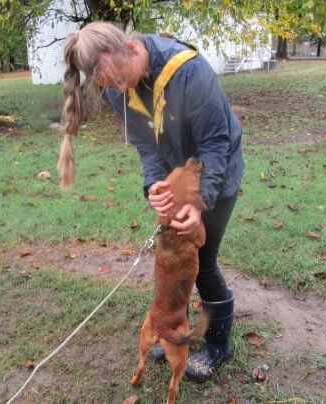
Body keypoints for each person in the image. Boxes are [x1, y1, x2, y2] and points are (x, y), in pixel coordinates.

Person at [57, 21, 244, 382]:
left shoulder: (188, 70)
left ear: (130, 46)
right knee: (175, 260)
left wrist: (201, 200)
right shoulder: (115, 87)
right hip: (178, 177)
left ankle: (219, 347)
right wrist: (154, 186)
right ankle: (176, 326)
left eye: (121, 79)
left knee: (202, 261)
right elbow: (146, 146)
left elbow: (216, 142)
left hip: (218, 175)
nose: (119, 89)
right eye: (111, 85)